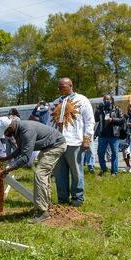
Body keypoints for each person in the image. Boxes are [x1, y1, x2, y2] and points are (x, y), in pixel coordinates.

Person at [0, 118, 66, 223]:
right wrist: (4, 159)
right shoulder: (17, 131)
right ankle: (46, 205)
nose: (6, 135)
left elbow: (25, 158)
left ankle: (42, 212)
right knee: (43, 175)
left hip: (56, 145)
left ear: (10, 127)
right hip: (47, 146)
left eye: (6, 132)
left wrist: (5, 170)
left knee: (40, 174)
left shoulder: (26, 130)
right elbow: (21, 149)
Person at [50, 77, 94, 207]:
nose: (61, 88)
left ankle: (77, 198)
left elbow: (89, 120)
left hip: (74, 141)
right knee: (59, 173)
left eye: (63, 86)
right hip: (57, 142)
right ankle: (62, 199)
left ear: (71, 85)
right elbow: (49, 123)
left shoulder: (82, 100)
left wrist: (87, 139)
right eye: (59, 86)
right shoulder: (55, 103)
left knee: (76, 171)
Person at [94, 94, 124, 176]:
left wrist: (112, 119)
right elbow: (96, 121)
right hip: (102, 135)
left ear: (111, 100)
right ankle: (103, 169)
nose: (106, 101)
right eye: (104, 99)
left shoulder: (117, 109)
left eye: (108, 99)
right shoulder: (99, 110)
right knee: (100, 153)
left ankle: (114, 171)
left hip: (113, 135)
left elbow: (122, 119)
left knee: (114, 153)